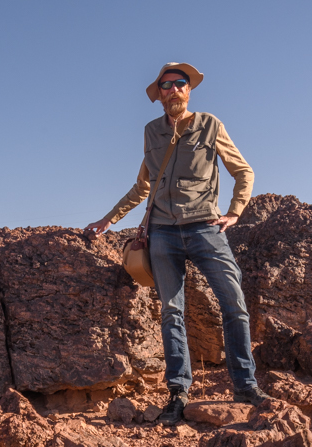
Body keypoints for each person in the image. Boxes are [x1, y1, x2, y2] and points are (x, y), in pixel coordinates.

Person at [85, 62, 272, 426]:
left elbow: (243, 171)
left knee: (234, 305)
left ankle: (245, 385)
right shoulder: (151, 132)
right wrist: (108, 219)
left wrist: (234, 212)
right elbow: (144, 185)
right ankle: (178, 392)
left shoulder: (209, 125)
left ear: (189, 90)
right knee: (172, 313)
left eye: (179, 83)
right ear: (159, 95)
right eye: (166, 85)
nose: (172, 90)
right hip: (163, 233)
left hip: (206, 228)